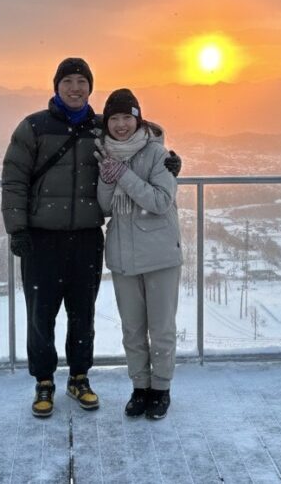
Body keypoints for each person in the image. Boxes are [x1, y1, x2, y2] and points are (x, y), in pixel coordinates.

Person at [1, 58, 181, 418]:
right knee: (40, 314)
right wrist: (17, 228)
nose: (75, 88)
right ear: (56, 86)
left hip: (86, 236)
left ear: (90, 88)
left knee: (82, 314)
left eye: (81, 81)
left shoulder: (100, 127)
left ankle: (79, 378)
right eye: (68, 81)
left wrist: (172, 162)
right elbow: (14, 178)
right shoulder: (34, 127)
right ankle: (44, 381)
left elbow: (143, 135)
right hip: (42, 237)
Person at [95, 88, 182, 420]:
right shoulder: (104, 153)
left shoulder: (157, 154)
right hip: (123, 256)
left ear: (138, 119)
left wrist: (124, 175)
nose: (121, 125)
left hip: (159, 255)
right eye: (114, 118)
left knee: (161, 328)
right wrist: (107, 179)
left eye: (126, 117)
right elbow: (105, 207)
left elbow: (160, 202)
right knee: (132, 329)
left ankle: (161, 388)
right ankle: (140, 387)